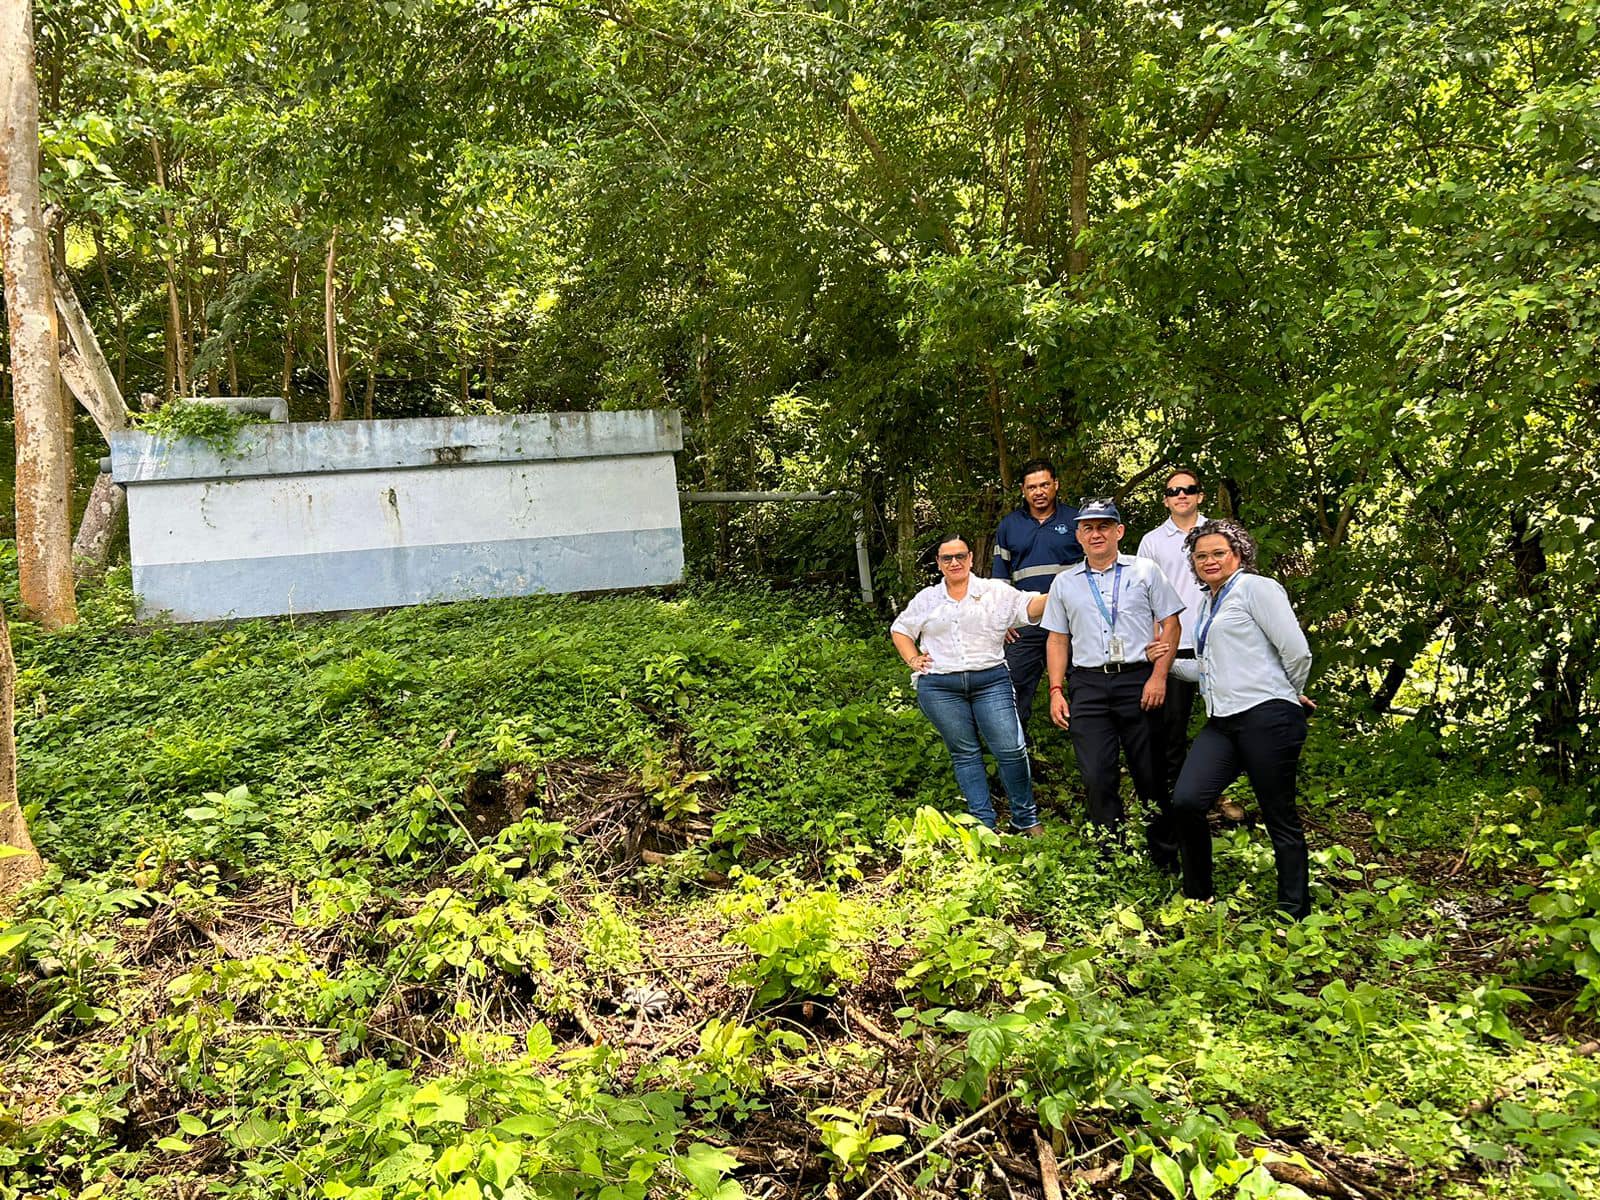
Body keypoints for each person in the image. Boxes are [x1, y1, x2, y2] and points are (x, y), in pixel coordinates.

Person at [1152, 519, 1316, 918]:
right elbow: (1208, 668)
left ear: (1238, 554)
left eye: (1218, 553)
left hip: (1267, 717)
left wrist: (1287, 693)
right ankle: (1198, 894)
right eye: (1201, 556)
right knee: (1187, 801)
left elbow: (1297, 652)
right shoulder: (1209, 602)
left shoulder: (1257, 589)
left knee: (1279, 814)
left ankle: (1294, 911)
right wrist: (1166, 662)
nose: (1209, 561)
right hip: (1223, 722)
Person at [1042, 499, 1183, 865]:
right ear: (1078, 536)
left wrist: (1159, 676)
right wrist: (1056, 689)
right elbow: (1057, 638)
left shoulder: (1146, 571)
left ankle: (1164, 856)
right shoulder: (1064, 583)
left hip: (1139, 680)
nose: (1096, 533)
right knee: (1096, 775)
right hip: (1087, 685)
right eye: (1088, 527)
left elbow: (1171, 623)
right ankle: (1112, 854)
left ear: (1119, 531)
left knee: (1150, 773)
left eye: (1104, 526)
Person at [892, 535, 1050, 835]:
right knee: (965, 753)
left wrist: (1063, 589)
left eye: (960, 556)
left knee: (1011, 749)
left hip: (990, 680)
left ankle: (1026, 819)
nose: (955, 562)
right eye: (947, 558)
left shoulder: (994, 591)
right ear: (938, 563)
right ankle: (983, 823)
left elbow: (1029, 607)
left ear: (971, 558)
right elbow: (900, 629)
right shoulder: (927, 598)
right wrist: (913, 659)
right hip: (941, 687)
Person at [1135, 469, 1238, 816]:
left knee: (1226, 719)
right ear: (1165, 499)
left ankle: (1218, 792)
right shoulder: (1152, 541)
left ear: (1200, 495)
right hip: (1173, 643)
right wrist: (1153, 640)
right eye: (1174, 490)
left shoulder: (1219, 535)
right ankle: (1179, 796)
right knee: (1172, 727)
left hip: (1218, 638)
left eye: (1189, 489)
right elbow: (1144, 594)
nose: (1182, 495)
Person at [992, 459, 1083, 729]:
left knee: (1083, 681)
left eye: (1044, 484)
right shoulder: (1009, 526)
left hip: (1072, 619)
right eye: (1032, 487)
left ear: (1056, 484)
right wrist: (1003, 619)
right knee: (1014, 685)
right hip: (1026, 622)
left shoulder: (1076, 520)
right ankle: (1017, 750)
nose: (1039, 491)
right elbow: (1000, 578)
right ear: (1023, 490)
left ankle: (1086, 740)